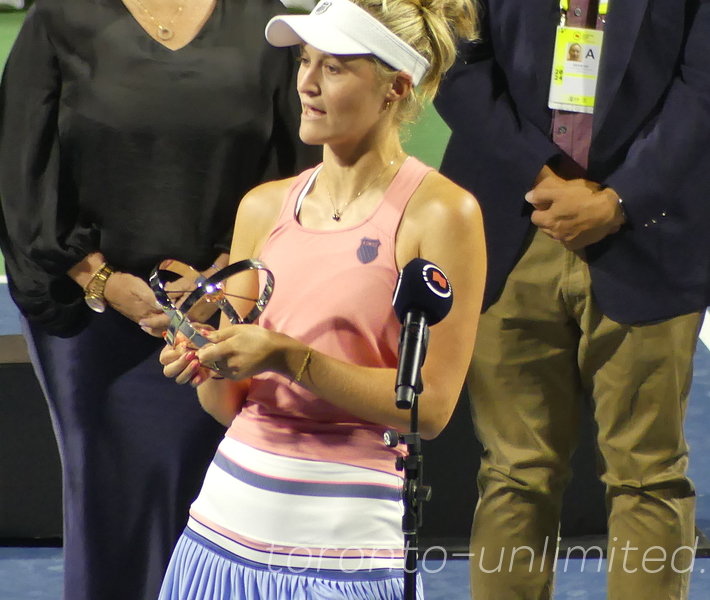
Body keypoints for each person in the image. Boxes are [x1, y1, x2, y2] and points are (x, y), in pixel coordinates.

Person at [157, 0, 484, 597]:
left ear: (395, 87)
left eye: (334, 68)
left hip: (347, 555)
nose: (305, 82)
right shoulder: (261, 206)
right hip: (219, 536)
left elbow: (430, 409)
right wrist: (204, 357)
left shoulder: (443, 215)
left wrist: (287, 356)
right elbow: (227, 405)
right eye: (306, 61)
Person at [434, 0, 710, 598]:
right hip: (513, 220)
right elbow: (453, 61)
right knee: (513, 473)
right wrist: (539, 175)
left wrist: (620, 199)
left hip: (648, 226)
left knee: (648, 475)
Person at [0, 2, 319, 599]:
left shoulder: (267, 24)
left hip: (227, 320)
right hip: (88, 322)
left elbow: (296, 171)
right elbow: (20, 173)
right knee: (108, 500)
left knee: (209, 508)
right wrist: (101, 280)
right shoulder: (59, 18)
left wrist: (225, 280)